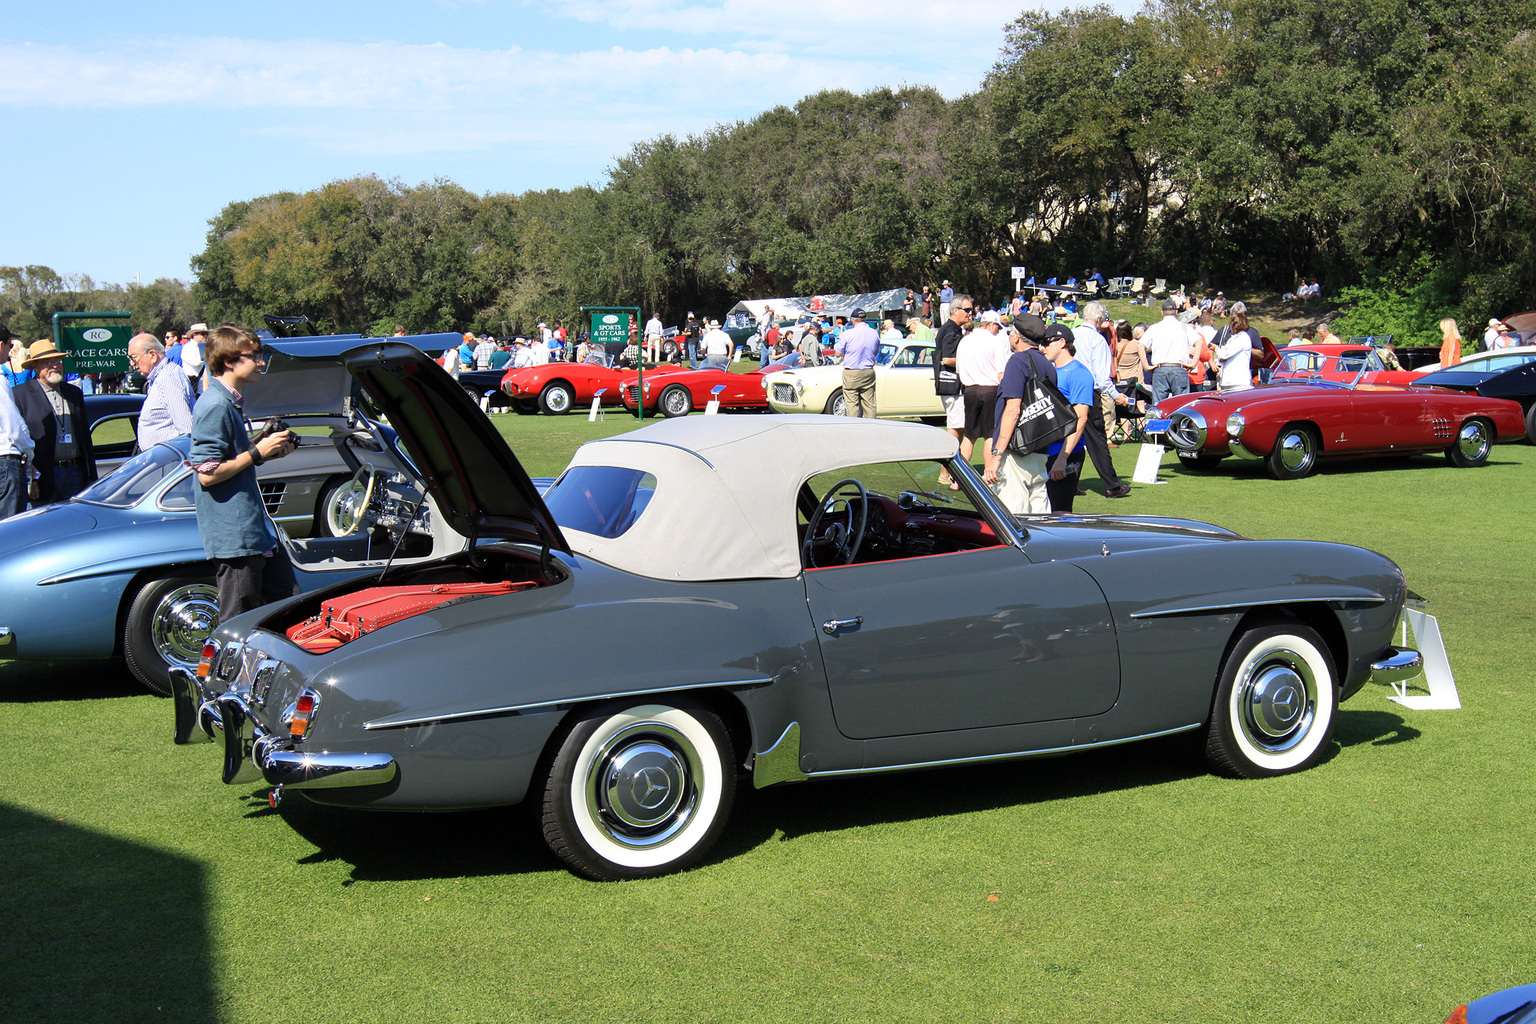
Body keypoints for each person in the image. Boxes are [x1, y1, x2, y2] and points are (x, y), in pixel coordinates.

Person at [190, 325, 300, 623]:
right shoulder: (215, 405)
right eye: (255, 355)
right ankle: (221, 672)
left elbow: (230, 460)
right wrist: (256, 453)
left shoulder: (229, 402)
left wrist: (266, 452)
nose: (261, 362)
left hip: (255, 534)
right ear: (229, 360)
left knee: (286, 608)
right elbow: (207, 474)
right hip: (235, 538)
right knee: (238, 624)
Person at [984, 315, 1057, 514]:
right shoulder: (1047, 364)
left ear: (1017, 336)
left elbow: (1013, 410)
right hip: (1040, 447)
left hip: (1016, 450)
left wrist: (997, 454)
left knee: (1013, 518)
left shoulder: (1018, 361)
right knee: (1039, 517)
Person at [14, 340, 97, 504]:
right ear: (35, 367)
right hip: (44, 475)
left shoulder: (74, 393)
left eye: (58, 361)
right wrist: (32, 479)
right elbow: (19, 441)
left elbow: (85, 438)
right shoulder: (20, 395)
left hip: (75, 473)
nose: (55, 365)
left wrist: (91, 476)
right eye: (48, 362)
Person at [1069, 303, 1131, 499]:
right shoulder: (1097, 340)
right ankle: (1112, 486)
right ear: (1098, 320)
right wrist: (1116, 395)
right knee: (1097, 441)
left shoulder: (1072, 334)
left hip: (1067, 391)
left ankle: (1068, 483)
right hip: (1088, 393)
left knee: (1071, 439)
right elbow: (1102, 378)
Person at [1044, 328, 1093, 513]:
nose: (1043, 347)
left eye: (1048, 341)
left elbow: (1081, 418)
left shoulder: (1079, 373)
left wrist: (1063, 458)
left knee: (1060, 513)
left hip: (1066, 452)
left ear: (1062, 342)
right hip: (1046, 451)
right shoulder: (1051, 371)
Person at [957, 310, 1010, 475]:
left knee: (969, 435)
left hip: (970, 389)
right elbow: (1001, 372)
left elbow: (959, 369)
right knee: (989, 435)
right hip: (990, 390)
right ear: (992, 324)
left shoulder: (965, 341)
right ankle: (988, 474)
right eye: (997, 327)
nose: (998, 331)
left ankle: (959, 478)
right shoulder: (995, 342)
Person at [128, 332, 196, 449]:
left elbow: (186, 430)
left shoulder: (169, 378)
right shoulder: (159, 377)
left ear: (152, 355)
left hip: (169, 462)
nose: (132, 363)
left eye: (134, 358)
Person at [933, 294, 974, 466]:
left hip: (950, 387)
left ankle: (951, 470)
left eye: (971, 310)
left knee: (959, 427)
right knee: (955, 428)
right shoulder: (951, 330)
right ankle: (948, 471)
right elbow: (948, 359)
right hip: (952, 387)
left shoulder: (951, 329)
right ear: (955, 310)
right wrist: (970, 359)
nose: (970, 313)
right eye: (967, 310)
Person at [0, 328, 35, 519]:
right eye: (9, 345)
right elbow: (13, 427)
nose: (10, 350)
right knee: (10, 529)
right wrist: (29, 453)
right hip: (5, 461)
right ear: (0, 345)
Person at [1145, 298, 1195, 405]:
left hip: (1161, 368)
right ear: (1176, 312)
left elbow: (1140, 345)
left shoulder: (1155, 327)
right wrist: (1193, 363)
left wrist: (1146, 366)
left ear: (1162, 313)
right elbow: (1199, 342)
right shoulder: (1184, 327)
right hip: (1179, 367)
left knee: (1159, 407)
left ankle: (1159, 421)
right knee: (1181, 406)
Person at [835, 309, 880, 417]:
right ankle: (871, 427)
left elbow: (837, 353)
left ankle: (854, 427)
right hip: (868, 371)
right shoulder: (874, 333)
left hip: (852, 371)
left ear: (854, 320)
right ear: (865, 319)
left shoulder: (848, 334)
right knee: (869, 404)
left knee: (852, 403)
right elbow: (876, 352)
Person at [1212, 303, 1262, 392]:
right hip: (1228, 380)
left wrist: (1216, 349)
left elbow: (1224, 354)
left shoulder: (1243, 337)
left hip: (1239, 381)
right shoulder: (1233, 337)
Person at [182, 323, 209, 392]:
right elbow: (196, 363)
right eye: (203, 334)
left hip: (201, 384)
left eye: (206, 334)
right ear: (194, 335)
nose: (205, 336)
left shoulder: (203, 347)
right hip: (192, 382)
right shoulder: (188, 347)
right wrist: (208, 361)